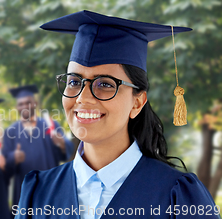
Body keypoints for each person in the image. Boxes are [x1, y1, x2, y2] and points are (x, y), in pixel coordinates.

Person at [15, 10, 217, 219]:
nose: (83, 98)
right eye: (74, 82)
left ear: (137, 103)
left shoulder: (176, 195)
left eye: (104, 84)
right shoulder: (38, 192)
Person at [4, 84, 74, 206]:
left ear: (35, 103)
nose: (25, 106)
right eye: (21, 104)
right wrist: (13, 158)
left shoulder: (50, 125)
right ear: (17, 107)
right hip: (23, 189)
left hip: (49, 185)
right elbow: (4, 164)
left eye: (28, 102)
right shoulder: (11, 131)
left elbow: (66, 152)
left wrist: (62, 143)